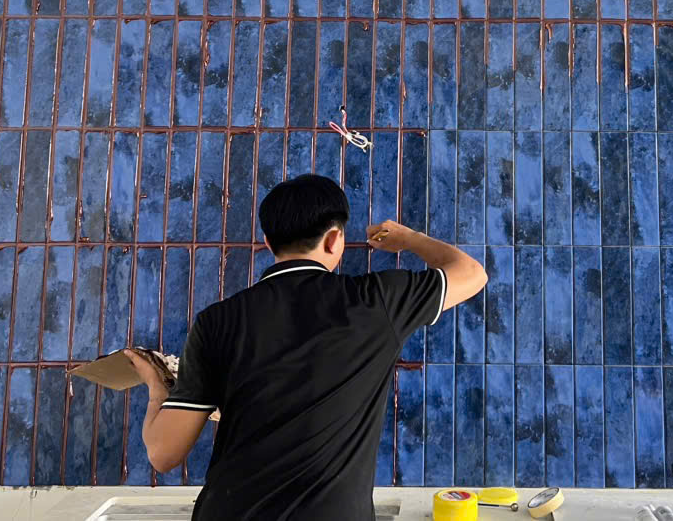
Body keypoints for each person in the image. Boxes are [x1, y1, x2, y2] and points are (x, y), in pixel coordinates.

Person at [124, 173, 488, 521]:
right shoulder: (377, 302)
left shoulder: (216, 321)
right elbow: (472, 273)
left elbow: (164, 454)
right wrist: (408, 238)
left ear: (268, 243)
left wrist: (157, 385)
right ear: (334, 240)